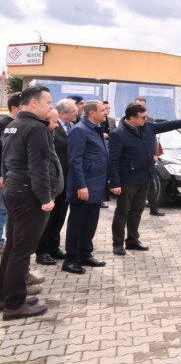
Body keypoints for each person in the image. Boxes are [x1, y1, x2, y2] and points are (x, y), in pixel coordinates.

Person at [108, 102, 181, 256]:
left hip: (144, 177)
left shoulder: (147, 127)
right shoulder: (118, 134)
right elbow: (113, 160)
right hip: (127, 180)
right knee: (122, 212)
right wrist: (114, 183)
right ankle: (117, 244)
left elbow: (167, 125)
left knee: (137, 211)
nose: (146, 119)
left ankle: (132, 240)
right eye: (142, 117)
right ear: (131, 118)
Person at [0, 86, 62, 320]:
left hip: (13, 188)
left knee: (13, 246)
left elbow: (4, 160)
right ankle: (15, 305)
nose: (51, 106)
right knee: (22, 250)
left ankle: (5, 296)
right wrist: (45, 198)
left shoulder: (13, 125)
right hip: (28, 194)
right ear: (34, 103)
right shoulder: (37, 128)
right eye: (48, 102)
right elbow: (39, 167)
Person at [62, 100, 111, 274]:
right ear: (91, 113)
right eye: (102, 110)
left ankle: (85, 254)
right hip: (84, 186)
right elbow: (75, 160)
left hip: (97, 185)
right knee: (77, 224)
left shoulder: (96, 129)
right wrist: (81, 185)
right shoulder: (79, 130)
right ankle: (70, 260)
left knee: (90, 223)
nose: (106, 112)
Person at [35, 99, 77, 265]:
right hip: (52, 181)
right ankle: (42, 251)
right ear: (63, 113)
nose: (76, 113)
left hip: (65, 180)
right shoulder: (50, 127)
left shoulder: (71, 127)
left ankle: (54, 246)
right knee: (48, 218)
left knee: (60, 216)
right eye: (73, 111)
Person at [133, 97, 165, 216]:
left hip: (148, 158)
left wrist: (155, 153)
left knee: (151, 184)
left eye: (143, 105)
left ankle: (154, 208)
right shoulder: (128, 119)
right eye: (138, 105)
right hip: (134, 159)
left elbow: (153, 138)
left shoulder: (150, 120)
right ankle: (132, 208)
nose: (141, 107)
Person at [0, 92, 22, 251]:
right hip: (4, 175)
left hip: (13, 176)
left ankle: (9, 240)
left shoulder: (20, 125)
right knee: (2, 210)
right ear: (14, 108)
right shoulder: (4, 125)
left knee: (9, 210)